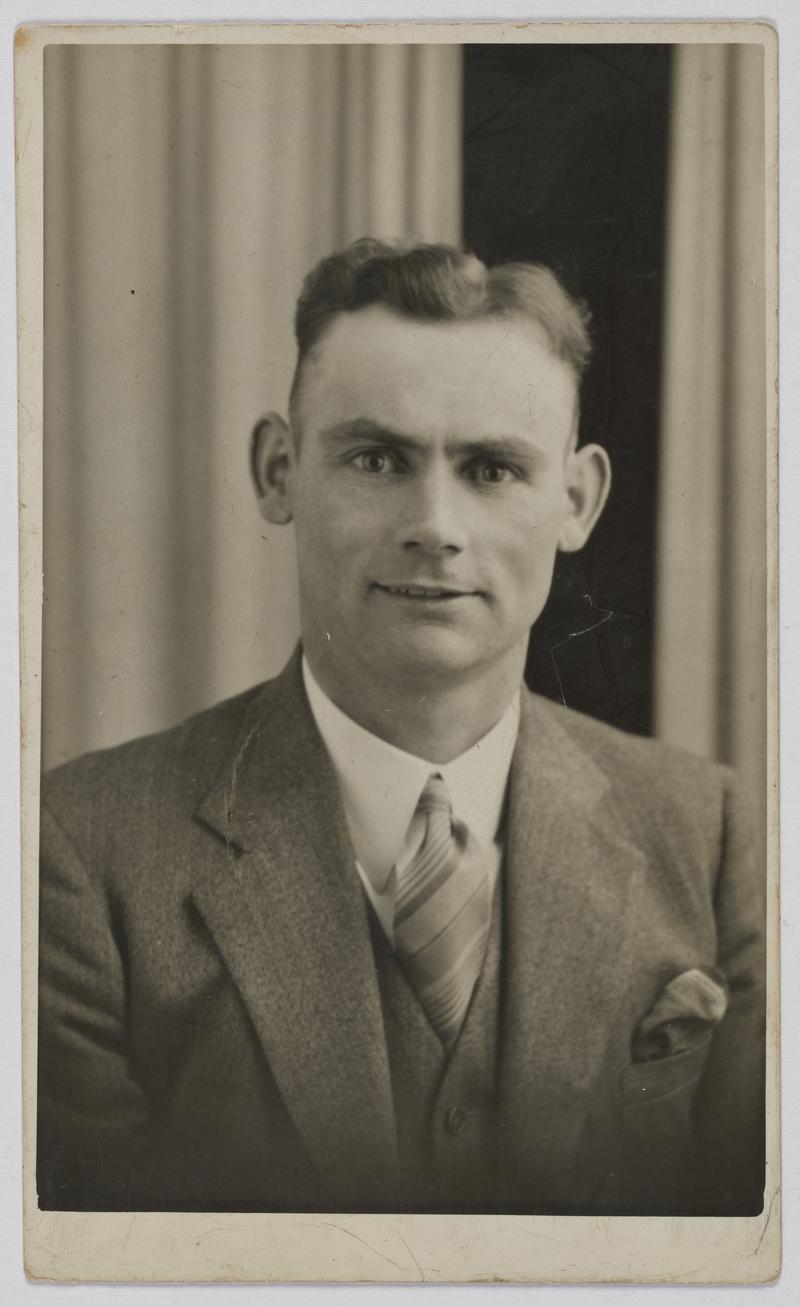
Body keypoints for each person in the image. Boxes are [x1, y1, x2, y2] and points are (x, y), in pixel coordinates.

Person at [37, 239, 765, 1216]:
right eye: (376, 457)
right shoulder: (84, 846)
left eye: (492, 468)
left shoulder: (704, 830)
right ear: (279, 471)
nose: (435, 522)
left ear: (576, 499)